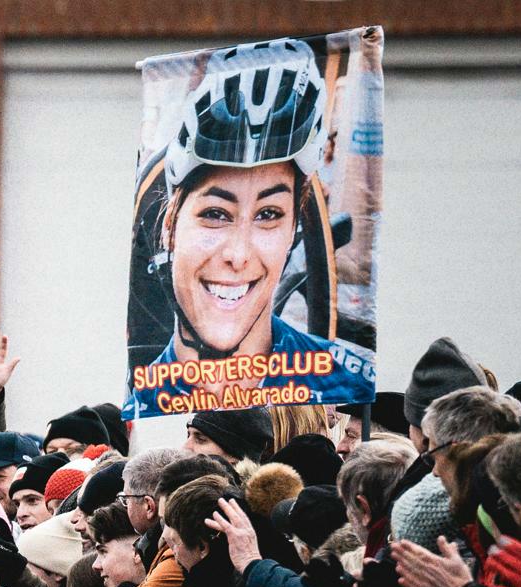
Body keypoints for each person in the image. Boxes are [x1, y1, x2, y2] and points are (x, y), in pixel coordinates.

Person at [126, 39, 374, 417]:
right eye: (215, 213)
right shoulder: (143, 404)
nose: (238, 256)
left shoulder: (346, 389)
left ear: (294, 231)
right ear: (169, 226)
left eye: (269, 214)